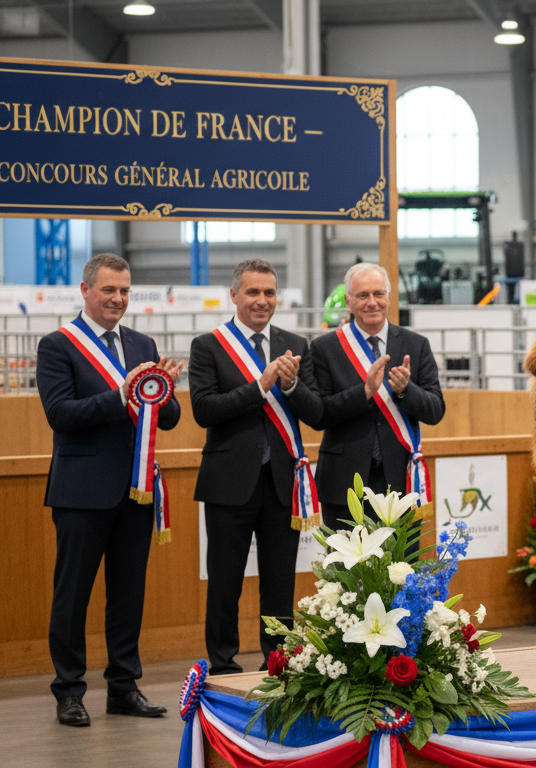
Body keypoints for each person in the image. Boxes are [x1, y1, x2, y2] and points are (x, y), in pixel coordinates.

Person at [37, 253, 185, 726]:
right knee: (72, 596)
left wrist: (168, 391)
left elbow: (169, 416)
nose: (118, 299)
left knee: (128, 594)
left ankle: (123, 686)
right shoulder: (57, 345)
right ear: (85, 291)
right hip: (81, 491)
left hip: (137, 491)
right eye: (108, 290)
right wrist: (121, 394)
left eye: (124, 291)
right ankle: (69, 690)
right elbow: (60, 414)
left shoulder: (141, 342)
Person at [190, 259, 324, 676]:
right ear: (234, 296)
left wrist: (290, 386)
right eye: (253, 292)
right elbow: (204, 410)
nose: (262, 301)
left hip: (282, 482)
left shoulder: (298, 344)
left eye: (269, 293)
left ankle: (278, 659)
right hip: (229, 481)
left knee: (280, 580)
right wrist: (261, 385)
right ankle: (223, 662)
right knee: (225, 579)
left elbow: (316, 412)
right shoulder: (208, 345)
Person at [310, 263, 446, 529]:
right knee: (346, 569)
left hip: (400, 482)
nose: (372, 302)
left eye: (378, 294)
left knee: (400, 569)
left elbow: (435, 410)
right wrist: (363, 393)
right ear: (349, 301)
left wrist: (407, 390)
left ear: (389, 298)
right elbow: (319, 415)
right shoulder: (325, 347)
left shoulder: (415, 345)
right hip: (344, 483)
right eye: (362, 296)